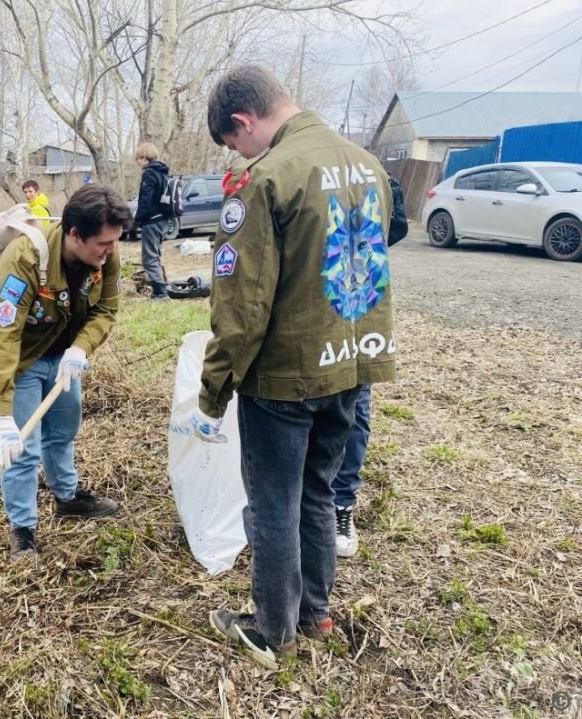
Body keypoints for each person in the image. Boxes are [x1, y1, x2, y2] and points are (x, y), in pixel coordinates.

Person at [186, 65, 396, 668]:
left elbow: (242, 308)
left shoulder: (266, 178)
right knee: (320, 493)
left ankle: (272, 628)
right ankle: (316, 613)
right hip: (351, 366)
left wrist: (213, 390)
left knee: (273, 502)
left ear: (243, 122)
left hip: (286, 375)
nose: (238, 153)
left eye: (233, 144)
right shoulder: (368, 165)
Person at [0, 184, 133, 560]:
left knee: (63, 431)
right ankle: (23, 530)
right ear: (75, 234)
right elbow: (0, 335)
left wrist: (81, 348)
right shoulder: (25, 259)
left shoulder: (104, 256)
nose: (111, 251)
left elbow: (106, 310)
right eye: (104, 243)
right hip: (23, 359)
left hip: (64, 358)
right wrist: (1, 415)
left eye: (115, 242)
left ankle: (67, 497)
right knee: (21, 449)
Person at [333, 172, 408, 558]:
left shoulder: (369, 172)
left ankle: (341, 506)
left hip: (360, 303)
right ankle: (311, 501)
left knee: (356, 407)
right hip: (316, 308)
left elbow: (396, 228)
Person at [133, 143, 171, 300]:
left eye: (138, 159)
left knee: (149, 257)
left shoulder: (149, 174)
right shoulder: (163, 172)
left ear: (143, 157)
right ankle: (160, 287)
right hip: (163, 219)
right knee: (155, 254)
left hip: (152, 220)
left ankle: (161, 293)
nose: (137, 162)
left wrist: (136, 221)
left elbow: (145, 201)